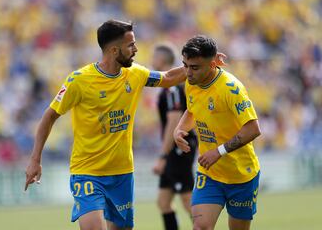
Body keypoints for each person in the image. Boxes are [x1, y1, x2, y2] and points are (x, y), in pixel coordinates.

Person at [25, 20, 225, 230]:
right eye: (131, 45)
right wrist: (35, 159)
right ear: (113, 50)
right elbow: (48, 117)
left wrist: (202, 64)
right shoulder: (79, 81)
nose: (136, 50)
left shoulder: (135, 74)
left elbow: (167, 77)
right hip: (87, 172)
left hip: (122, 173)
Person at [174, 35, 261, 230]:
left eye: (194, 67)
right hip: (210, 174)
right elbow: (192, 110)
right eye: (185, 65)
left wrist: (218, 152)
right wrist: (180, 129)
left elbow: (253, 128)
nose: (188, 73)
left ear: (213, 64)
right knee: (200, 226)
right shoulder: (192, 83)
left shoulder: (231, 89)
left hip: (241, 175)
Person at [151, 44, 197, 230]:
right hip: (174, 148)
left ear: (161, 60)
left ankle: (204, 225)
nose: (151, 60)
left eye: (154, 57)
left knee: (187, 200)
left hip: (179, 146)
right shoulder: (169, 87)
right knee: (163, 202)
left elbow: (174, 121)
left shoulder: (172, 89)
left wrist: (163, 156)